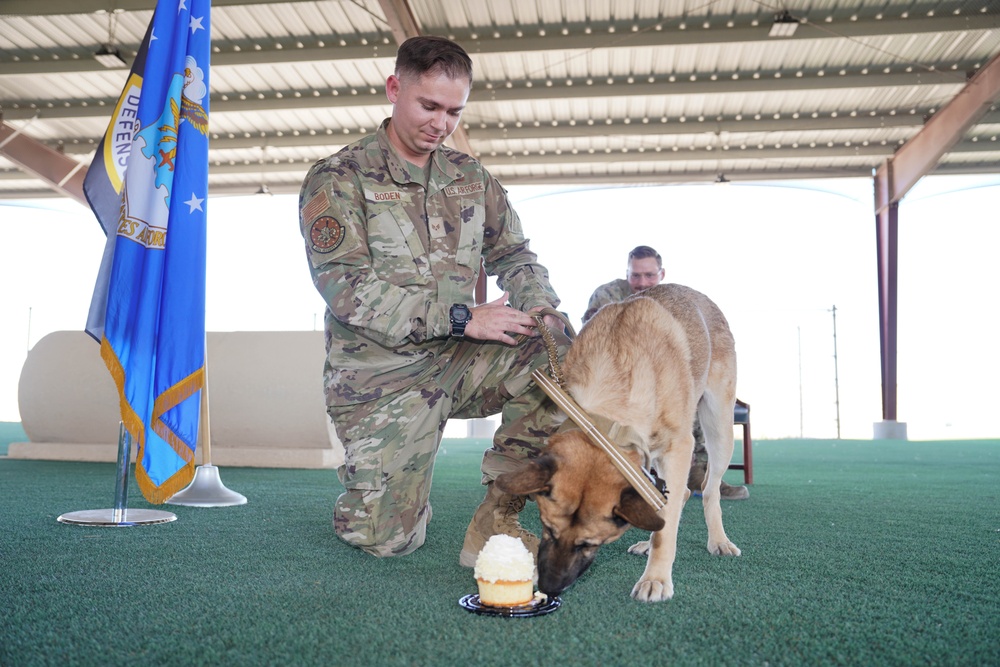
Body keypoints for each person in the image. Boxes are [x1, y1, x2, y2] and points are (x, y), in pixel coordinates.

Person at [297, 35, 569, 565]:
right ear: (394, 88)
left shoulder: (469, 177)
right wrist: (464, 317)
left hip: (460, 361)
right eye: (429, 106)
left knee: (555, 354)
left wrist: (543, 308)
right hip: (381, 378)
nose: (441, 124)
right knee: (386, 541)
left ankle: (499, 515)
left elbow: (514, 254)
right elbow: (347, 290)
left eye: (453, 111)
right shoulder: (338, 178)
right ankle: (382, 494)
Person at [582, 245, 750, 500]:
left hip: (667, 377)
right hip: (622, 380)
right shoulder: (608, 295)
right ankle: (630, 472)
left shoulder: (675, 302)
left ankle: (698, 471)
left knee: (688, 390)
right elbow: (594, 342)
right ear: (627, 274)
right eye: (635, 275)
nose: (641, 282)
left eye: (649, 275)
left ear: (661, 274)